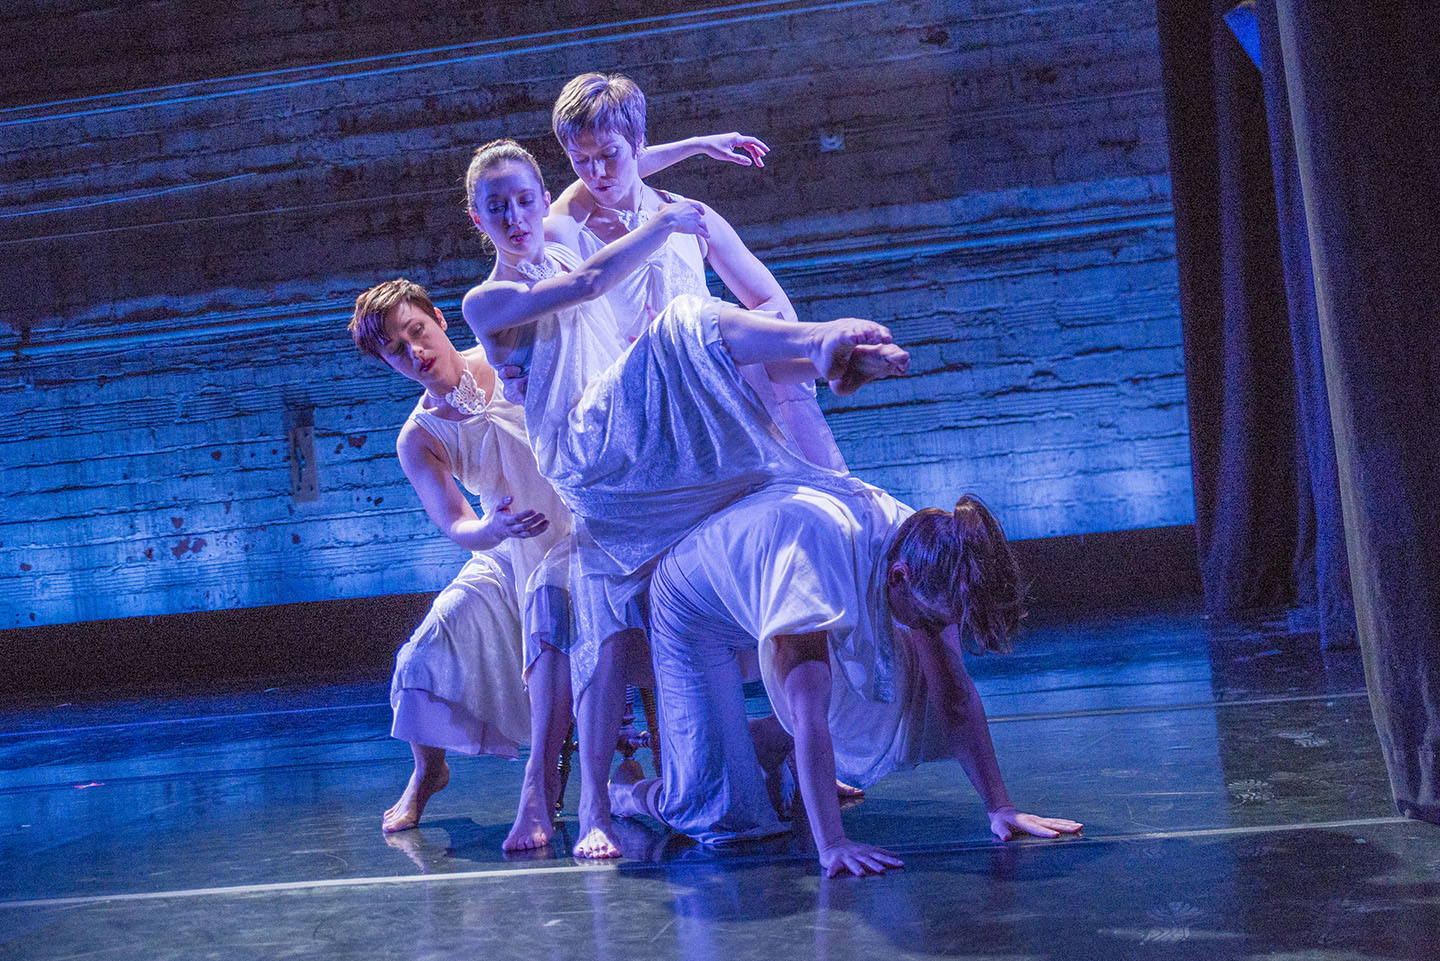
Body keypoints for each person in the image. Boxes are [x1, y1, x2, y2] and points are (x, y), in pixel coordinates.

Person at [460, 138, 909, 858]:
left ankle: (836, 359)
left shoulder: (561, 231)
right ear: (477, 220)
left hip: (629, 443)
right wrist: (664, 226)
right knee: (683, 323)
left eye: (522, 199)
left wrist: (697, 146)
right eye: (495, 207)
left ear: (542, 201)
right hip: (585, 446)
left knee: (705, 360)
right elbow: (583, 289)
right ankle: (823, 342)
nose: (513, 214)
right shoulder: (488, 298)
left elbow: (615, 163)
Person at [610, 483, 1083, 877]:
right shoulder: (814, 561)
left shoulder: (928, 544)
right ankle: (628, 790)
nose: (936, 631)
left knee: (898, 680)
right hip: (695, 614)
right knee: (724, 816)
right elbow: (808, 713)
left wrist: (1000, 807)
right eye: (933, 619)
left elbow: (952, 692)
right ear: (898, 578)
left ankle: (771, 747)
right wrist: (832, 842)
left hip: (759, 586)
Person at [348, 278, 573, 851]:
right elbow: (454, 523)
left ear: (440, 320)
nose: (413, 352)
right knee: (422, 654)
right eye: (395, 350)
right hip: (508, 550)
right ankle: (430, 770)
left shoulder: (508, 355)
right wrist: (490, 529)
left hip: (581, 531)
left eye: (415, 332)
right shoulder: (419, 437)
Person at [544, 72, 847, 472]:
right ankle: (829, 355)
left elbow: (772, 301)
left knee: (708, 326)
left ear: (638, 145)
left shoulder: (691, 214)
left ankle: (833, 356)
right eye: (579, 160)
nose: (595, 174)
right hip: (633, 419)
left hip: (712, 399)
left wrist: (747, 365)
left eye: (608, 155)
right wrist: (697, 146)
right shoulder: (567, 229)